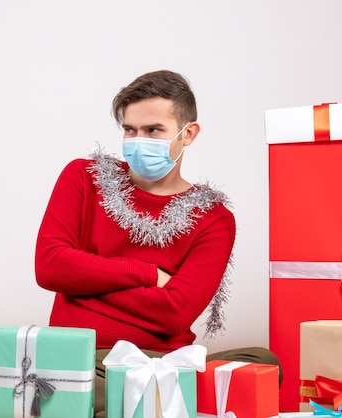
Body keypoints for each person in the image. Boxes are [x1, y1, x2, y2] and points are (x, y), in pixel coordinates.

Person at [35, 70, 281, 417]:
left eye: (153, 130)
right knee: (69, 381)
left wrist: (84, 281)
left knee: (262, 362)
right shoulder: (83, 177)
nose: (138, 140)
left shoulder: (213, 218)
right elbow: (51, 267)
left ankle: (145, 399)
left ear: (188, 133)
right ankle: (158, 402)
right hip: (89, 359)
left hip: (166, 362)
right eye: (129, 129)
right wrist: (147, 274)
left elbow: (174, 313)